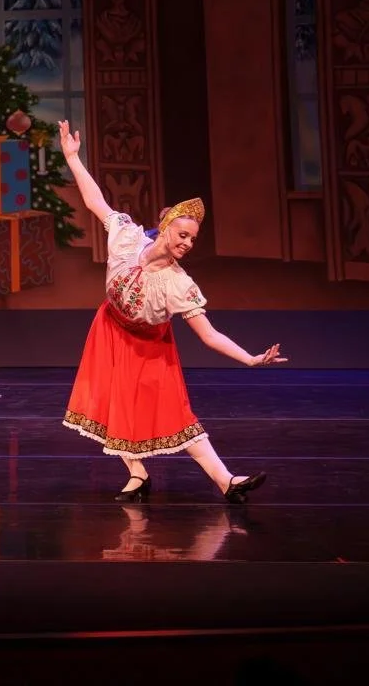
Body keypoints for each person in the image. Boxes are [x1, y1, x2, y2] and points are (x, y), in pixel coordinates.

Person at [57, 120, 283, 503]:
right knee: (116, 405)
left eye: (193, 239)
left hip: (150, 347)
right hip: (111, 330)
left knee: (174, 412)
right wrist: (73, 158)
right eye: (182, 234)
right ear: (164, 229)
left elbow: (209, 334)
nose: (188, 243)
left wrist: (250, 358)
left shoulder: (178, 284)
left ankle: (227, 481)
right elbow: (95, 201)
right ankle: (138, 473)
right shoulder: (127, 237)